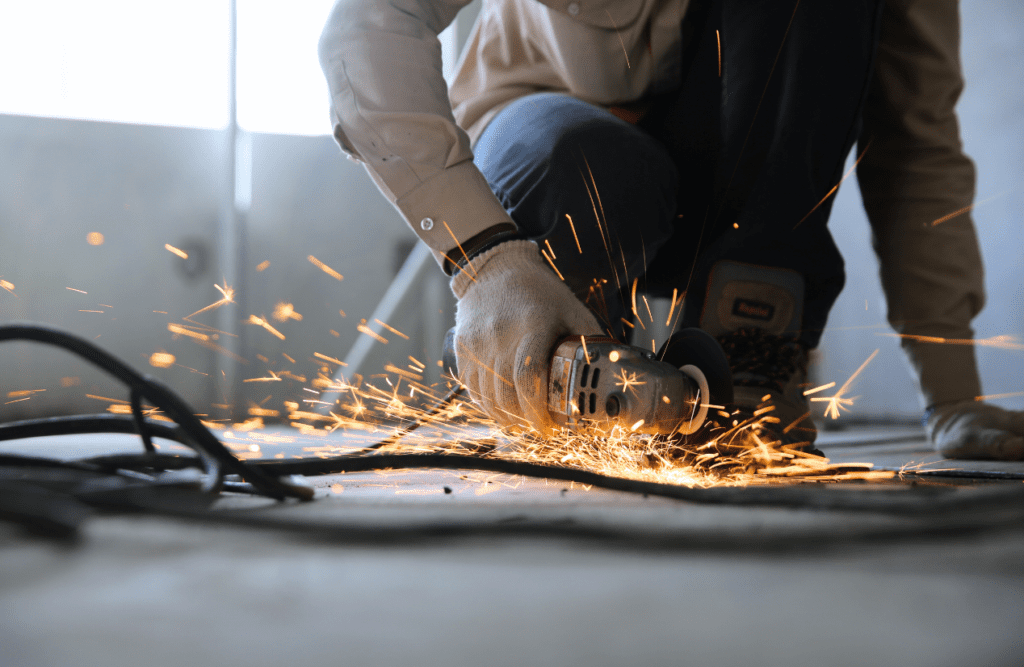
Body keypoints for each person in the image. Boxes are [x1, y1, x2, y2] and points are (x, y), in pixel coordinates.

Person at [319, 0, 1024, 459]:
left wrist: (954, 393)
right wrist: (485, 262)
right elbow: (367, 27)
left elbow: (915, 142)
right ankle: (559, 351)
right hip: (559, 157)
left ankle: (748, 353)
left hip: (741, 202)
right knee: (581, 167)